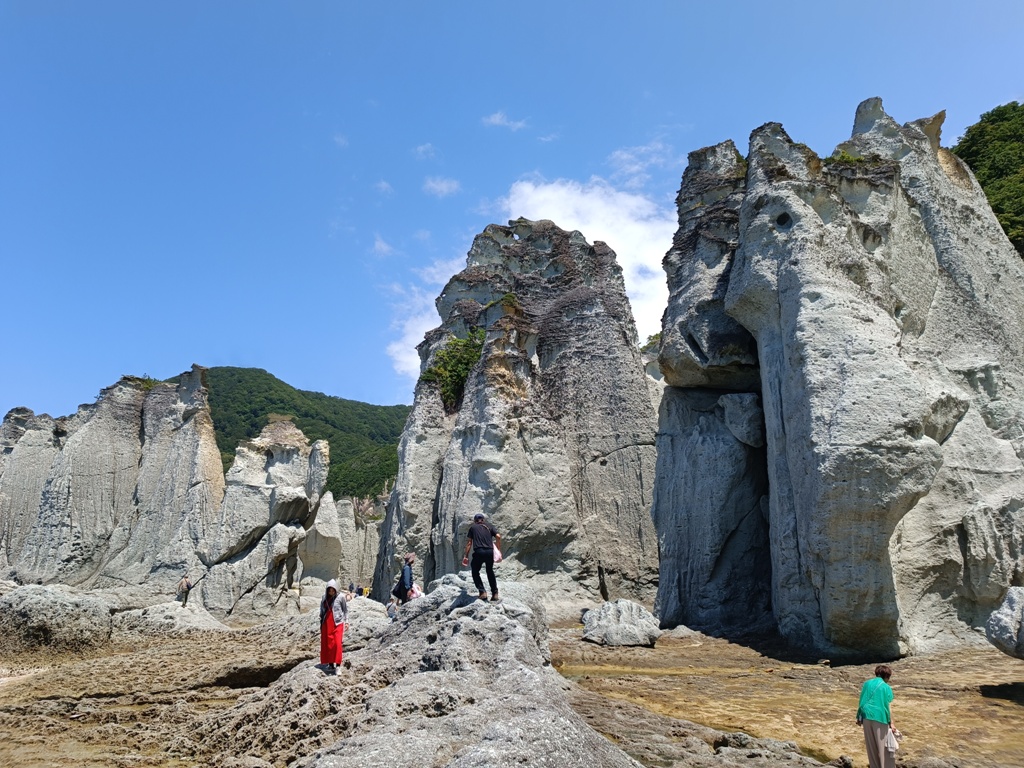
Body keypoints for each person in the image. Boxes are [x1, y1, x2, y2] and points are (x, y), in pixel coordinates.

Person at [857, 664, 897, 768]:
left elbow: (862, 700)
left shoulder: (867, 684)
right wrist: (891, 723)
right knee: (884, 749)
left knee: (871, 749)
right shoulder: (885, 687)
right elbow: (887, 706)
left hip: (866, 716)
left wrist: (858, 716)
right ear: (887, 676)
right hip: (880, 717)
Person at [462, 512, 501, 601]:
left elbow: (469, 543)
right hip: (489, 552)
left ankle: (482, 592)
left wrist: (466, 556)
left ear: (475, 521)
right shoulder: (489, 526)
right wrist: (498, 549)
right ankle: (495, 593)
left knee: (475, 571)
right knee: (490, 571)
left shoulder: (473, 528)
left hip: (479, 551)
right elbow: (498, 536)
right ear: (483, 520)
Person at [319, 579, 348, 672]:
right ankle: (331, 664)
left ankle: (338, 665)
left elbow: (345, 610)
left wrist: (347, 621)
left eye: (333, 589)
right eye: (329, 590)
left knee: (337, 643)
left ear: (336, 589)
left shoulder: (341, 597)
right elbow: (322, 610)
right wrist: (321, 622)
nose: (331, 592)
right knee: (328, 644)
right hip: (327, 623)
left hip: (338, 622)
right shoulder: (324, 597)